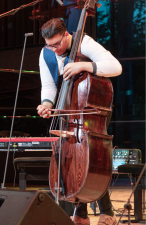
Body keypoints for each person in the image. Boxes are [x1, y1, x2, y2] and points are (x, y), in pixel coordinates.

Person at [36, 18, 122, 225]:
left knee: (90, 159)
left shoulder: (84, 42)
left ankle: (107, 212)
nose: (54, 49)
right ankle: (81, 213)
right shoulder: (46, 52)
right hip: (68, 110)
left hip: (91, 107)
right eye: (50, 45)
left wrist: (83, 66)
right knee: (75, 159)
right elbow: (48, 86)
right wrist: (46, 105)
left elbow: (115, 66)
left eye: (57, 44)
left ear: (66, 35)